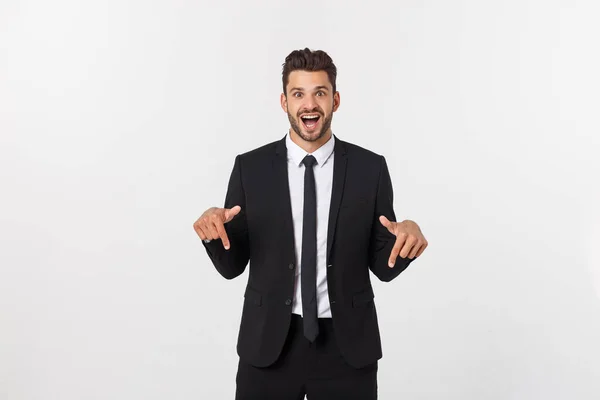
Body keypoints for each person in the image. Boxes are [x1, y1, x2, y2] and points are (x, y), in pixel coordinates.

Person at [193, 48, 428, 400]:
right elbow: (232, 266)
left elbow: (383, 267)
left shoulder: (370, 170)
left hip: (346, 349)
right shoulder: (250, 168)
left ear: (335, 100)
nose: (309, 104)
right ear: (284, 101)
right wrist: (213, 235)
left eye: (319, 93)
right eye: (298, 94)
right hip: (269, 346)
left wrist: (406, 240)